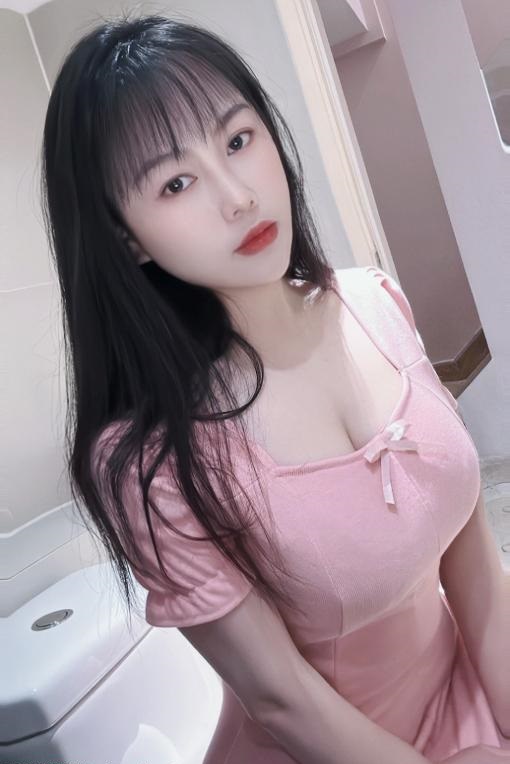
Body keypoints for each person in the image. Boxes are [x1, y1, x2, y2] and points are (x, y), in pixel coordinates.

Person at [40, 12, 509, 764]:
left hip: (462, 699)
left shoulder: (374, 301)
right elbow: (282, 701)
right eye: (176, 183)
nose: (237, 197)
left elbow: (473, 560)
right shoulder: (150, 461)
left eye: (237, 139)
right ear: (126, 238)